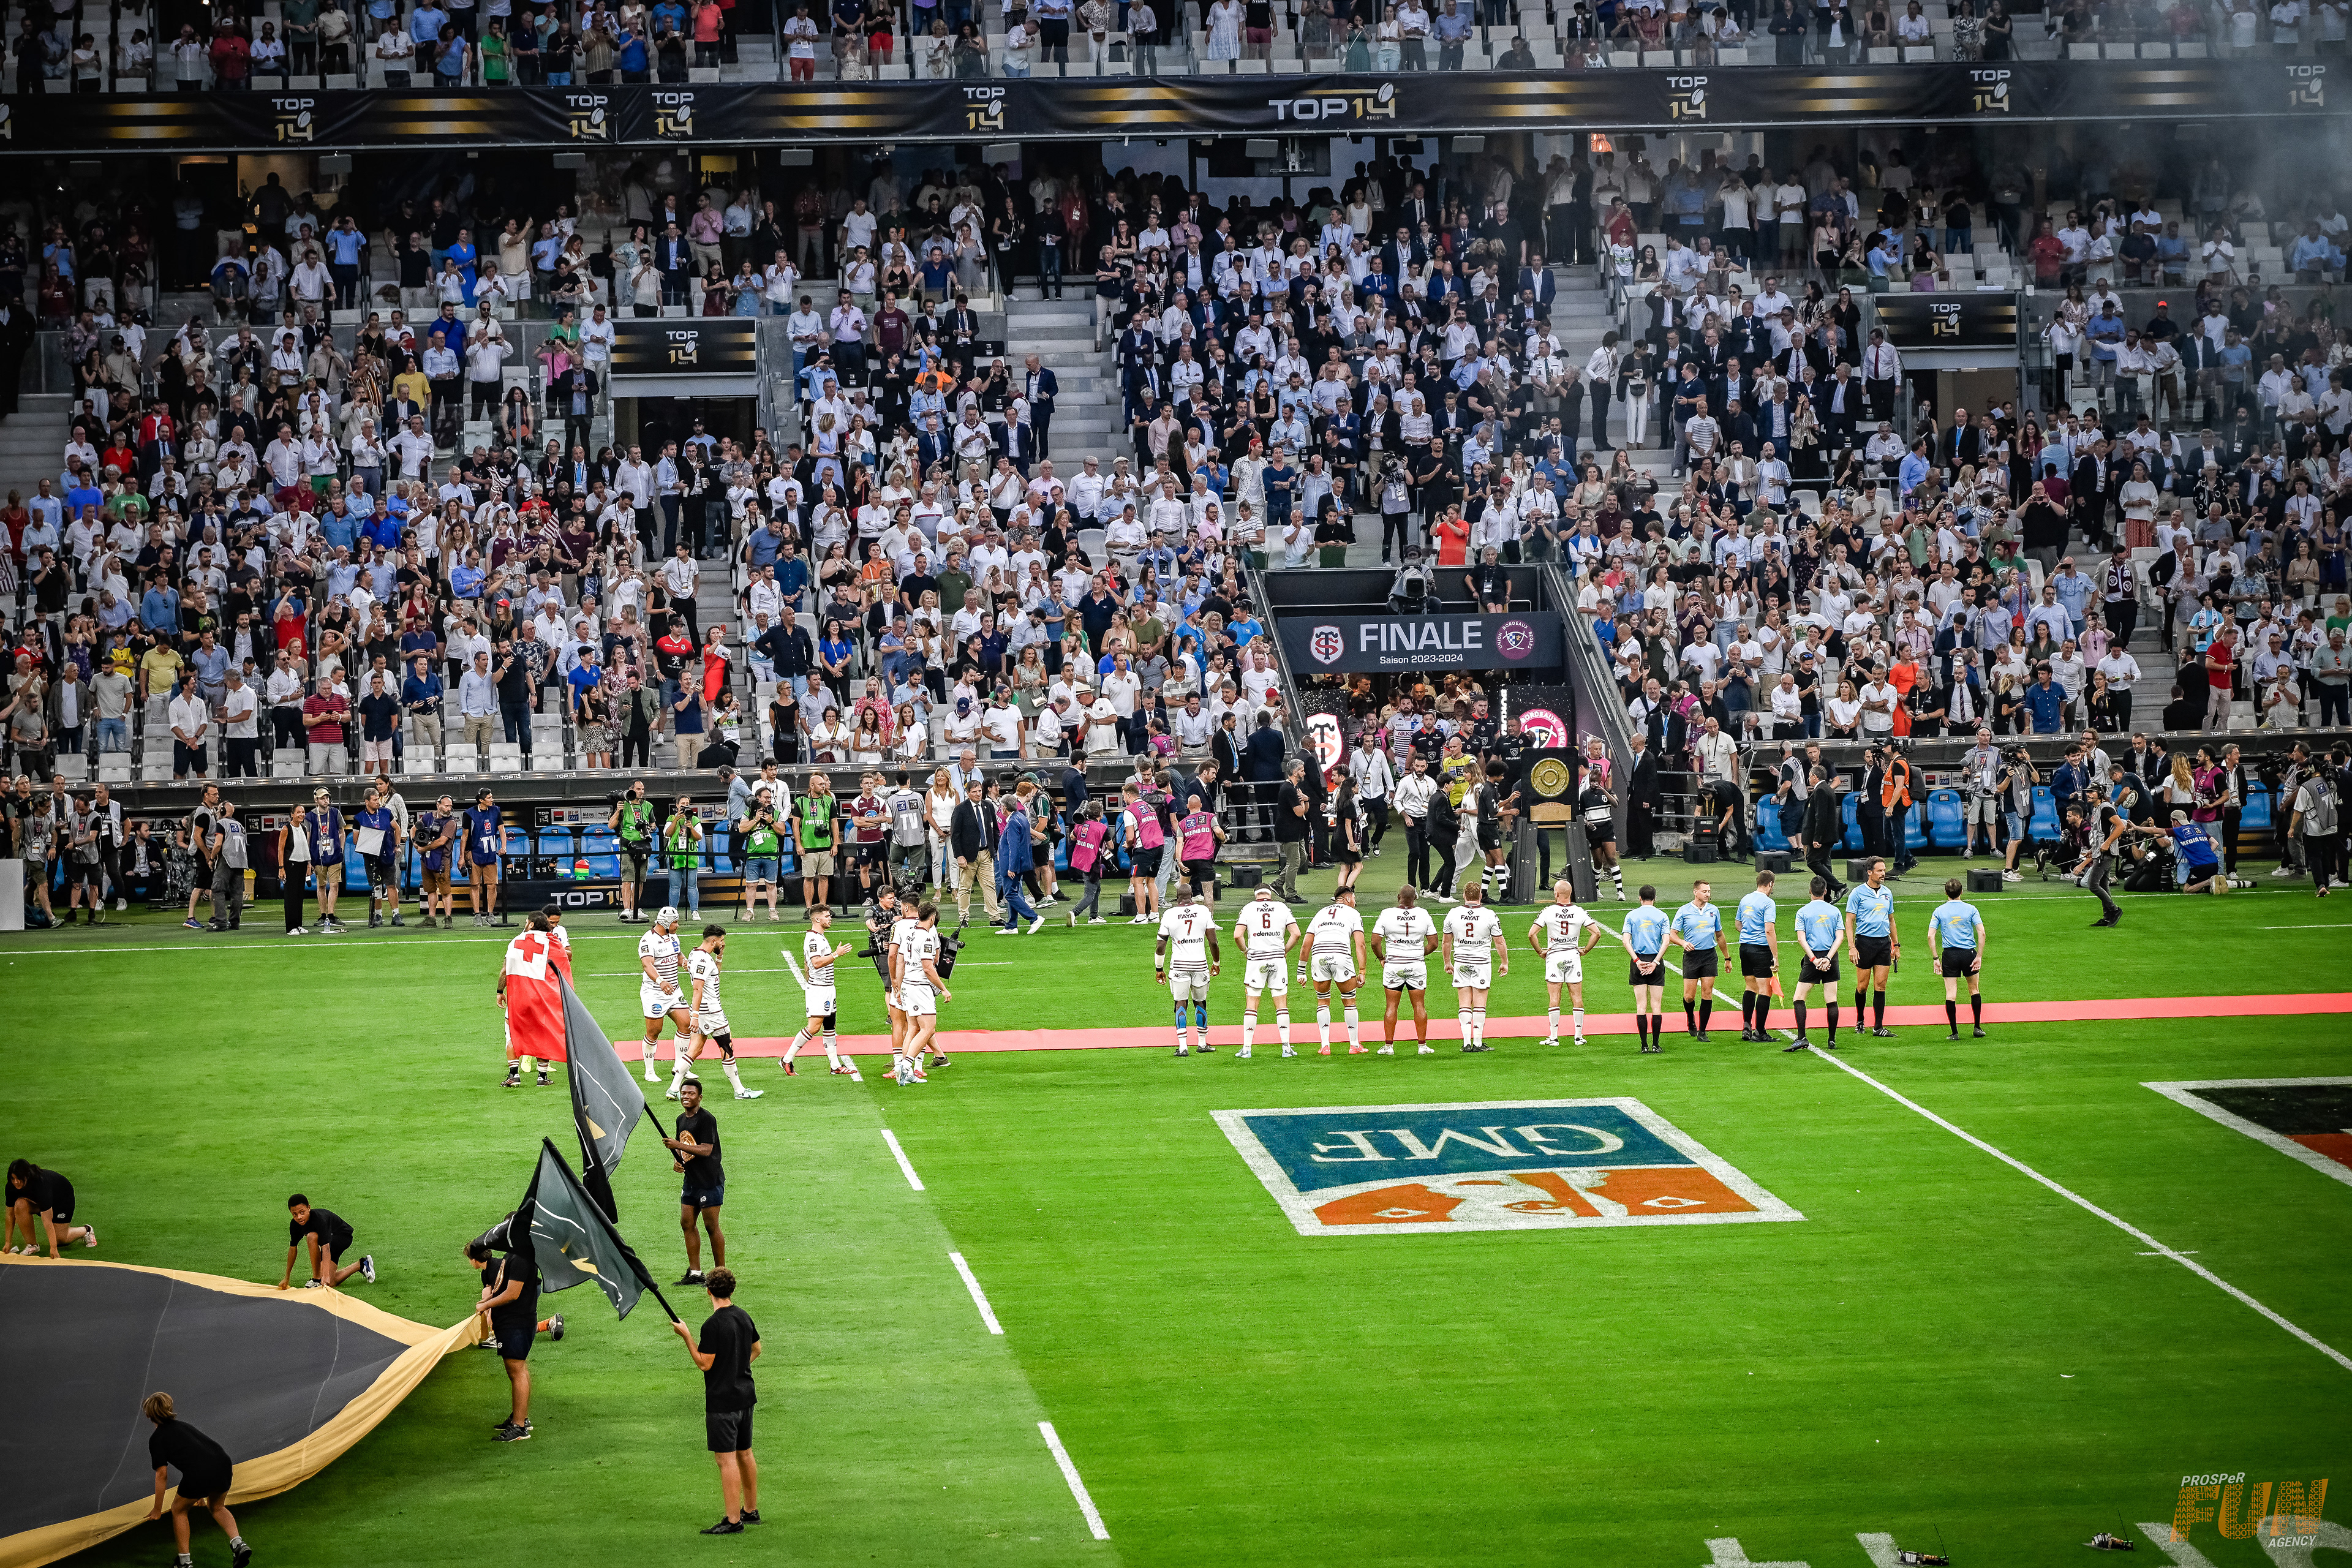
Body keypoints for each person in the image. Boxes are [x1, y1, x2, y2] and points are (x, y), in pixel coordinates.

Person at [671, 1266, 763, 1536]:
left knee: (726, 1460)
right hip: (746, 1397)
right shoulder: (744, 1317)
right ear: (731, 1290)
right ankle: (751, 1510)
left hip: (722, 1404)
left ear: (708, 1291)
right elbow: (756, 1349)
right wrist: (736, 1367)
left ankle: (733, 1520)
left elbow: (704, 1363)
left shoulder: (712, 1325)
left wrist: (686, 1336)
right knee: (745, 1453)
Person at [467, 1227, 561, 1441]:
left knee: (517, 1371)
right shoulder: (515, 1254)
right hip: (516, 1322)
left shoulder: (520, 1258)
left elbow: (512, 1294)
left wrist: (486, 1305)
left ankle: (519, 1427)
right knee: (518, 1370)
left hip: (516, 1323)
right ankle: (521, 1418)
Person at [140, 1392, 253, 1568]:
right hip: (222, 1463)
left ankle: (184, 1563)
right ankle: (238, 1544)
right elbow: (200, 1454)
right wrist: (201, 1493)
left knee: (178, 1510)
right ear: (170, 1408)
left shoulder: (157, 1440)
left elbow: (162, 1474)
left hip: (200, 1473)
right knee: (217, 1507)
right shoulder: (183, 1426)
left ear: (148, 1414)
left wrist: (157, 1509)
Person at [679, 924, 762, 1101]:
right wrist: (694, 1016)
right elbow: (697, 989)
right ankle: (740, 1091)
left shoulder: (697, 954)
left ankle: (673, 1088)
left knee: (695, 1049)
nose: (723, 943)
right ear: (714, 941)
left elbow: (714, 975)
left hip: (705, 1011)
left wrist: (720, 956)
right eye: (722, 941)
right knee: (727, 1048)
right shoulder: (702, 959)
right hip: (712, 1012)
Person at [661, 1076, 726, 1284]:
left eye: (691, 1094)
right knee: (687, 1222)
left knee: (711, 1226)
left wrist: (678, 1146)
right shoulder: (681, 1119)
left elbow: (707, 1149)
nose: (686, 1097)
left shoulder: (707, 1119)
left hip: (709, 1180)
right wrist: (677, 1162)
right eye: (683, 1093)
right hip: (691, 1181)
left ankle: (720, 1274)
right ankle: (696, 1273)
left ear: (700, 1097)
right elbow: (682, 1146)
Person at [1526, 878, 1602, 1047]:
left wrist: (1540, 952)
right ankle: (1579, 1037)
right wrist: (1585, 950)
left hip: (1554, 957)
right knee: (1577, 997)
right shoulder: (1580, 911)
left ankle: (1553, 1037)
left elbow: (1532, 934)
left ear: (1556, 894)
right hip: (1573, 956)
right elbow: (1596, 933)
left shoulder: (1548, 911)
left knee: (1554, 998)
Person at [783, 903, 854, 1074]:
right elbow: (815, 963)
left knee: (830, 1026)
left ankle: (835, 1066)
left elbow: (808, 964)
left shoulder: (820, 937)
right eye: (827, 916)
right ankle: (787, 1059)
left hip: (828, 988)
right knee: (814, 1027)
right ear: (816, 919)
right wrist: (837, 954)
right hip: (819, 989)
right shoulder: (813, 939)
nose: (830, 919)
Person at [1232, 884, 1300, 1058]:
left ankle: (1247, 1049)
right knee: (1281, 1005)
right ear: (1271, 895)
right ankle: (1286, 1048)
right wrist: (1285, 950)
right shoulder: (1282, 907)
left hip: (1256, 960)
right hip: (1277, 959)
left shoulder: (1248, 908)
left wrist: (1245, 951)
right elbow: (1296, 934)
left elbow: (1237, 935)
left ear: (1256, 895)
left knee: (1252, 1005)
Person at [1370, 884, 1439, 1055]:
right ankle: (1422, 1046)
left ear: (1398, 897)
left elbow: (1374, 942)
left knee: (1391, 1006)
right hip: (1416, 965)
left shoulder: (1387, 914)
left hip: (1394, 965)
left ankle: (1388, 1047)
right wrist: (1419, 953)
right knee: (1419, 1005)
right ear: (1415, 898)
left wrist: (1381, 958)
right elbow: (1434, 943)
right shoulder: (1423, 914)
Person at [1440, 880, 1508, 1052]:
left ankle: (1466, 1042)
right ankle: (1477, 1042)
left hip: (1461, 961)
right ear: (1480, 896)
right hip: (1482, 963)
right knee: (1479, 1004)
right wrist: (1504, 962)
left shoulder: (1453, 914)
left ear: (1464, 896)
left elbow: (1446, 942)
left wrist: (1447, 962)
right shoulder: (1490, 915)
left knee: (1464, 1003)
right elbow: (1499, 942)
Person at [1154, 885, 1221, 1057]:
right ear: (1191, 895)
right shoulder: (1204, 911)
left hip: (1179, 966)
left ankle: (1183, 1047)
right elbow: (1213, 942)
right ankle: (1202, 1043)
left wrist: (1159, 968)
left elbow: (1161, 945)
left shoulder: (1169, 914)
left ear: (1177, 897)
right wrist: (1216, 962)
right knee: (1200, 1002)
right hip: (1200, 965)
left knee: (1180, 1003)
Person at [892, 900, 955, 1085]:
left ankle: (905, 1069)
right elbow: (928, 968)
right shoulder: (926, 938)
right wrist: (943, 989)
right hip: (920, 987)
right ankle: (906, 1067)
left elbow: (900, 961)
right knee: (928, 1028)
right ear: (933, 918)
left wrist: (898, 986)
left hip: (908, 986)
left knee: (913, 1028)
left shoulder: (909, 934)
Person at [1303, 886, 1368, 1055]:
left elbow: (1306, 943)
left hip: (1319, 957)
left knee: (1322, 1001)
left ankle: (1325, 1046)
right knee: (1349, 1001)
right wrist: (1362, 970)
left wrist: (1300, 969)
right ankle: (1354, 1045)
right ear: (1347, 899)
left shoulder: (1320, 913)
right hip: (1341, 956)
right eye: (1354, 899)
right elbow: (1360, 944)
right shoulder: (1353, 914)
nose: (1355, 902)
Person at [1842, 856, 1898, 1037]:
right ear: (1869, 872)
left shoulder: (1887, 893)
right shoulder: (1857, 894)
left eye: (1884, 870)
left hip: (1883, 943)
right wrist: (1852, 946)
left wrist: (1896, 944)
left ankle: (1878, 1027)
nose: (1884, 873)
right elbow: (1849, 921)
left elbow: (1891, 920)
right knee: (1862, 986)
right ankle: (1860, 1020)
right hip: (1865, 943)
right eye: (1880, 871)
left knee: (1881, 986)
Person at [1786, 877, 1844, 1052]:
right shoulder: (1834, 911)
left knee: (1799, 998)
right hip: (1830, 958)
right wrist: (1828, 958)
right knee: (1831, 1000)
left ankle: (1802, 1037)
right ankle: (1832, 1040)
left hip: (1813, 958)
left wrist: (1814, 959)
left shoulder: (1803, 912)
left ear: (1810, 890)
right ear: (1826, 891)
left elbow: (1801, 939)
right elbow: (1840, 937)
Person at [1928, 876, 1989, 1038]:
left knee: (1951, 994)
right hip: (1968, 953)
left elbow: (1930, 936)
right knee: (1974, 990)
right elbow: (1982, 932)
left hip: (1950, 955)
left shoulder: (1939, 911)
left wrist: (1935, 958)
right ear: (1961, 892)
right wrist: (1979, 956)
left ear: (1946, 893)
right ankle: (1977, 1028)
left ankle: (1954, 1032)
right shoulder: (1971, 909)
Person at [636, 905, 692, 1084]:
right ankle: (649, 1071)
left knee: (686, 1024)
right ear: (665, 923)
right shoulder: (647, 940)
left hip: (674, 990)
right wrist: (661, 981)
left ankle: (680, 1067)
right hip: (654, 993)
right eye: (675, 922)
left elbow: (677, 954)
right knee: (654, 1031)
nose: (678, 926)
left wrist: (684, 962)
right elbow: (647, 965)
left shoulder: (674, 936)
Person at [1668, 879, 1724, 1040]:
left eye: (1709, 891)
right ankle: (1691, 1018)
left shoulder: (1714, 910)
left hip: (1709, 956)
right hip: (1692, 957)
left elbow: (1719, 935)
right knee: (1689, 996)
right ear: (1695, 892)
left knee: (1707, 992)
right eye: (1705, 891)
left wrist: (1727, 957)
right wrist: (1683, 942)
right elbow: (1672, 934)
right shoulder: (1684, 911)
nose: (1708, 894)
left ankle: (1703, 1031)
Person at [279, 1193, 373, 1288]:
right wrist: (287, 1277)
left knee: (311, 1237)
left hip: (342, 1237)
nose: (299, 1217)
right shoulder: (295, 1225)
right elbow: (293, 1250)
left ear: (309, 1208)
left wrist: (325, 1276)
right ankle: (361, 1264)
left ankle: (316, 1279)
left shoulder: (320, 1220)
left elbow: (326, 1248)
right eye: (295, 1214)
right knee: (330, 1282)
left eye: (302, 1212)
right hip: (327, 1240)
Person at [4, 1159, 94, 1255]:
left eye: (19, 1178)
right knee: (20, 1205)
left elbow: (47, 1219)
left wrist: (53, 1248)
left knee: (60, 1239)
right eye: (13, 1178)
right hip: (39, 1201)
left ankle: (86, 1230)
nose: (16, 1182)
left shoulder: (40, 1185)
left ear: (27, 1175)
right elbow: (10, 1215)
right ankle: (32, 1245)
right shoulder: (11, 1187)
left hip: (62, 1199)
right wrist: (8, 1243)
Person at [1621, 884, 1672, 1054]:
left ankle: (1644, 1046)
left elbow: (1626, 941)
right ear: (1654, 898)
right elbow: (1666, 941)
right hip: (1655, 962)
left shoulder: (1632, 915)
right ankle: (1656, 1045)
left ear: (1640, 898)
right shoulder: (1662, 916)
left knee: (1641, 1006)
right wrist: (1656, 962)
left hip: (1639, 963)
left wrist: (1636, 960)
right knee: (1656, 1005)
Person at [1735, 870, 1781, 1041]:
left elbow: (1738, 924)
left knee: (1750, 987)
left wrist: (1749, 932)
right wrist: (1775, 956)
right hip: (1761, 949)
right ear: (1771, 884)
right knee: (1765, 990)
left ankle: (1747, 1026)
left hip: (1744, 947)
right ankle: (1760, 1031)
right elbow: (1769, 929)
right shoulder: (1768, 903)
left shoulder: (1745, 899)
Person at [2287, 758, 2341, 898]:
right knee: (2327, 857)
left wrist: (2292, 828)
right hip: (2331, 827)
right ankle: (2326, 885)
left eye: (2306, 768)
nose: (2304, 771)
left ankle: (2320, 885)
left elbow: (2299, 810)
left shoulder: (2306, 787)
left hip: (2314, 829)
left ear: (2311, 769)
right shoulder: (2331, 783)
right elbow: (2336, 803)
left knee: (2315, 857)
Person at [2074, 793, 2128, 927]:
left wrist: (2108, 843)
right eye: (2088, 792)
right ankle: (2108, 917)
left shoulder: (2106, 808)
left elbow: (2121, 826)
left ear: (2100, 794)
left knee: (2093, 885)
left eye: (2092, 792)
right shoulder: (2097, 808)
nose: (2089, 795)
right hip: (2102, 851)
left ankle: (2115, 910)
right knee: (2104, 885)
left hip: (2106, 853)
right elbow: (2100, 833)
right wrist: (2094, 849)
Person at [464, 786, 508, 926]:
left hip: (490, 854)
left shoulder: (495, 811)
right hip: (474, 853)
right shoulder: (469, 813)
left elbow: (502, 830)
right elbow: (464, 837)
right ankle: (477, 914)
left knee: (492, 886)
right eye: (489, 798)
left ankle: (490, 914)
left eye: (492, 797)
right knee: (475, 885)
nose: (492, 800)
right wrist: (462, 856)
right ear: (481, 800)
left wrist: (503, 847)